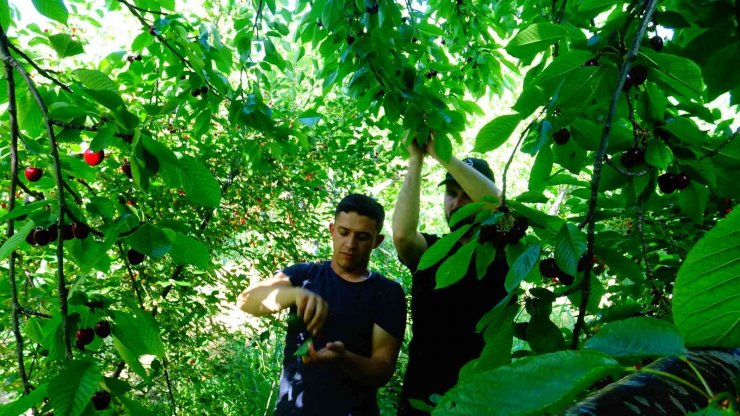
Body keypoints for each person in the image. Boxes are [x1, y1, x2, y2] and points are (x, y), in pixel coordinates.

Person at [237, 194, 407, 416]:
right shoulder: (304, 275)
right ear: (332, 230)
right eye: (344, 232)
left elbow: (382, 370)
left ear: (377, 241)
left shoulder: (387, 293)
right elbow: (246, 301)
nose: (350, 244)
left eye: (362, 237)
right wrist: (294, 294)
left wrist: (344, 358)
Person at [392, 138, 509, 415]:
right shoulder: (432, 252)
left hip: (481, 398)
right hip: (421, 398)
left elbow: (503, 210)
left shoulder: (504, 253)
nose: (457, 203)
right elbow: (402, 235)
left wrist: (442, 155)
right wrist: (416, 158)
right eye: (451, 193)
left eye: (467, 193)